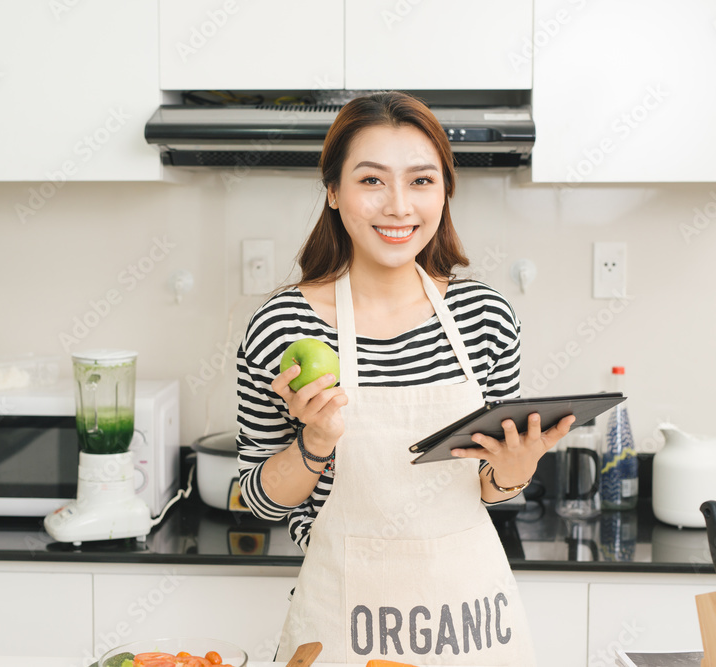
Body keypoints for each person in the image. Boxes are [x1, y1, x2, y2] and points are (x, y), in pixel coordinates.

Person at [236, 91, 575, 665]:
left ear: (444, 192)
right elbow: (259, 503)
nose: (398, 206)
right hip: (341, 631)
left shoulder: (485, 318)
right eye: (372, 181)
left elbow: (490, 485)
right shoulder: (281, 327)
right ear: (334, 191)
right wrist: (315, 441)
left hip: (469, 630)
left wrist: (514, 473)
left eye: (421, 181)